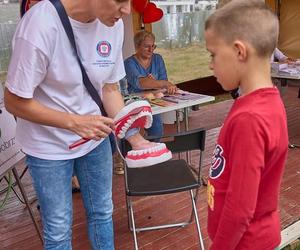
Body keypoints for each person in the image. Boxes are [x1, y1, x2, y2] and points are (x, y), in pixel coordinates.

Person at [4, 0, 158, 249]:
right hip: (48, 148)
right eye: (120, 0)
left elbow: (109, 89)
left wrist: (133, 135)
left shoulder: (113, 24)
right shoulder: (40, 24)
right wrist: (74, 122)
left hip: (94, 141)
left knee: (102, 213)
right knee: (58, 229)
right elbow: (13, 101)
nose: (127, 11)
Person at [205, 1, 288, 249]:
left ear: (240, 51)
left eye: (213, 55)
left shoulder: (249, 119)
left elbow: (240, 209)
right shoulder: (267, 102)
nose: (211, 65)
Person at [124, 30, 178, 139]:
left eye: (153, 46)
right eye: (146, 46)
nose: (151, 50)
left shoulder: (158, 59)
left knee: (157, 130)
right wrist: (161, 84)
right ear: (137, 46)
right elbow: (141, 83)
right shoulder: (129, 63)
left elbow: (163, 82)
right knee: (132, 134)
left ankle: (152, 152)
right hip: (134, 104)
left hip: (154, 102)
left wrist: (155, 84)